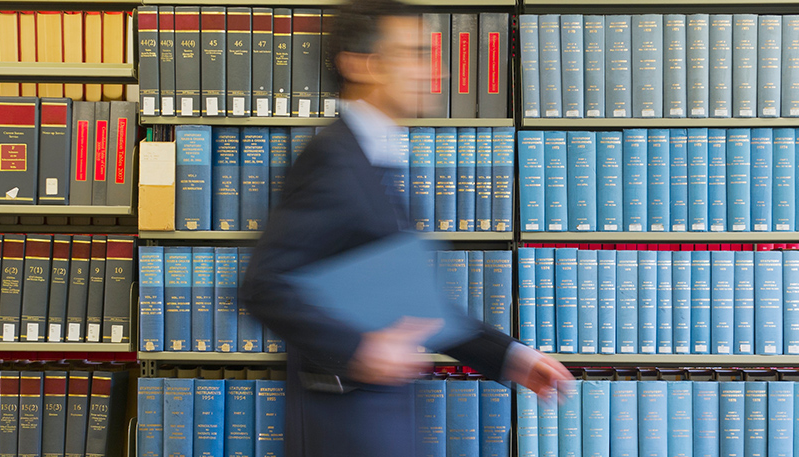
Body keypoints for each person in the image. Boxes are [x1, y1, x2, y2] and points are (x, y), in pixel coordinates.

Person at [240, 0, 572, 456]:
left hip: (379, 424)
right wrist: (360, 349)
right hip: (345, 431)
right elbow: (263, 285)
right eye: (413, 54)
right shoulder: (331, 158)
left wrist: (510, 357)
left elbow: (415, 306)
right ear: (361, 64)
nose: (430, 70)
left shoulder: (377, 156)